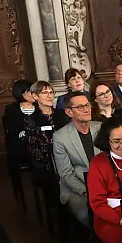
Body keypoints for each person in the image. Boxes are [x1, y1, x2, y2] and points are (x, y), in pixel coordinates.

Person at [52, 92, 102, 227]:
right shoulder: (60, 137)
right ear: (69, 112)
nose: (86, 109)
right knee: (87, 215)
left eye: (87, 105)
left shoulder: (101, 128)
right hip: (78, 188)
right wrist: (87, 191)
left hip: (104, 184)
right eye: (80, 107)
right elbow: (66, 174)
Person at [25, 81, 69, 176]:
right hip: (47, 163)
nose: (49, 96)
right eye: (45, 93)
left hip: (68, 156)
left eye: (51, 92)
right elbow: (34, 147)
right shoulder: (32, 119)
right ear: (35, 96)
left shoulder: (63, 114)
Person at [3, 79, 35, 183]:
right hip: (21, 145)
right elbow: (12, 132)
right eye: (29, 91)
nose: (33, 94)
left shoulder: (40, 106)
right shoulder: (11, 109)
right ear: (20, 93)